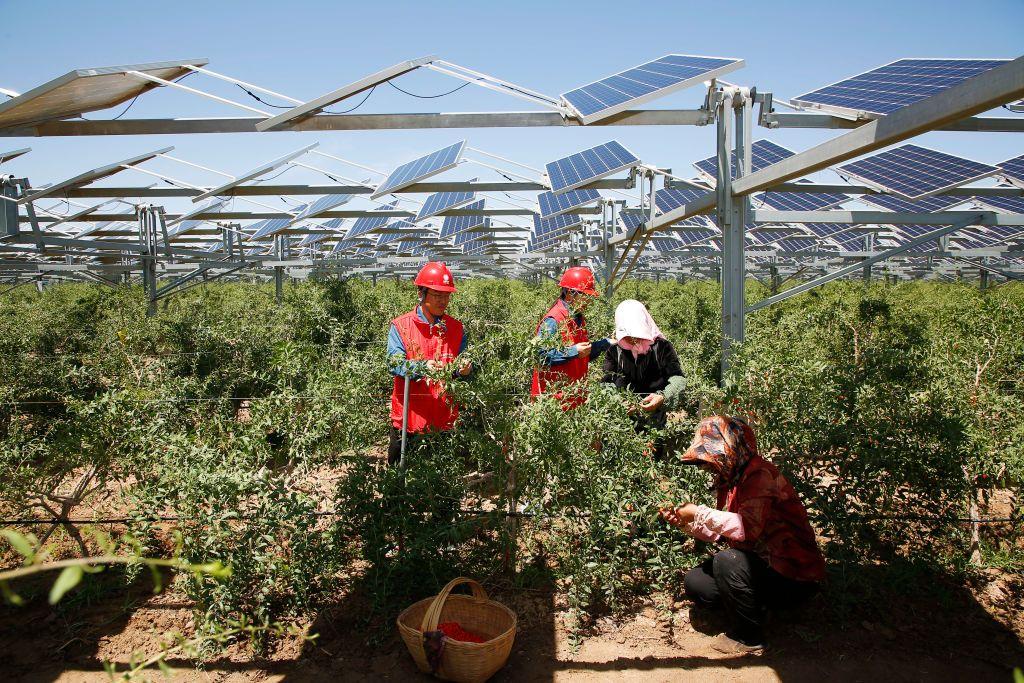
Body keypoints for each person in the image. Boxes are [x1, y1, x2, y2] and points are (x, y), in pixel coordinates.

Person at [660, 415, 825, 655]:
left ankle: (749, 637)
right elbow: (722, 532)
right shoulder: (733, 479)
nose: (707, 465)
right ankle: (759, 610)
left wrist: (698, 512)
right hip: (766, 567)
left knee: (728, 561)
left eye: (710, 456)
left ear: (729, 449)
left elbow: (745, 528)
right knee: (698, 583)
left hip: (795, 577)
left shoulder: (759, 476)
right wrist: (688, 522)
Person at [387, 262, 472, 466]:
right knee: (401, 484)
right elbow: (394, 363)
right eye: (437, 295)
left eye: (447, 295)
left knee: (443, 485)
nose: (443, 301)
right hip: (409, 420)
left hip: (444, 420)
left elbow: (464, 362)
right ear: (421, 293)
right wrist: (422, 367)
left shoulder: (456, 328)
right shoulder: (401, 326)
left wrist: (466, 368)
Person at [601, 299, 685, 459]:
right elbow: (607, 383)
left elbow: (678, 379)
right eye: (629, 335)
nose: (634, 340)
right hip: (621, 422)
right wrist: (617, 403)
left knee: (650, 463)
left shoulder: (662, 348)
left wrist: (663, 396)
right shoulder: (614, 350)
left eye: (637, 334)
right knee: (619, 463)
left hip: (653, 420)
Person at [531, 266, 612, 408]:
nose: (588, 301)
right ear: (569, 294)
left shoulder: (577, 317)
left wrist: (606, 343)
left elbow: (582, 355)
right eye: (585, 296)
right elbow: (540, 355)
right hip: (553, 402)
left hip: (573, 398)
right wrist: (573, 352)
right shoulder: (553, 319)